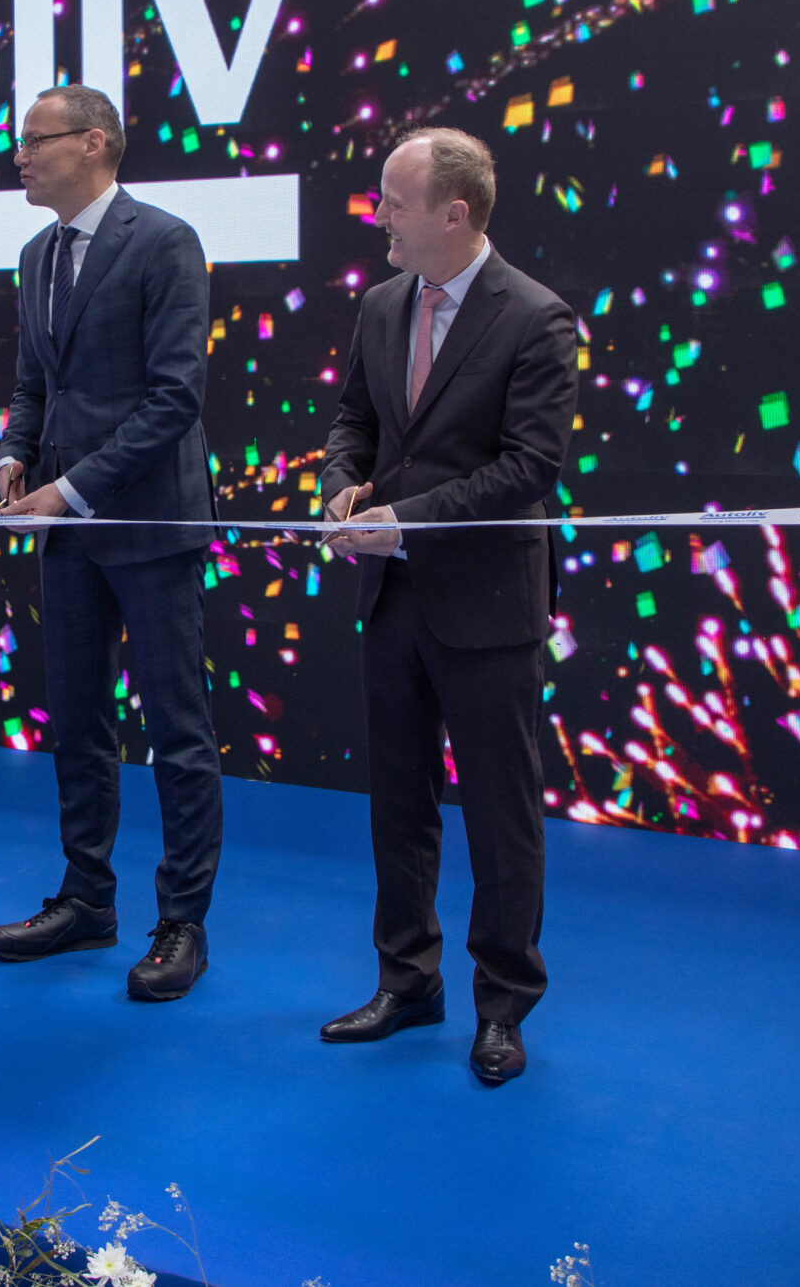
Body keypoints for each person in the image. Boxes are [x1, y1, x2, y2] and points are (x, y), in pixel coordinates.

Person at [318, 128, 578, 1086]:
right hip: (391, 597)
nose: (378, 213)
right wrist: (346, 486)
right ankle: (407, 979)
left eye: (393, 198)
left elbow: (528, 470)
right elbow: (355, 421)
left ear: (453, 212)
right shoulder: (382, 304)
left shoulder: (538, 318)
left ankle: (503, 1003)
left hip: (488, 603)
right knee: (399, 798)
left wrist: (405, 518)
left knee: (501, 814)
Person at [0, 83, 221, 1001]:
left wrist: (71, 488)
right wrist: (15, 453)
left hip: (149, 524)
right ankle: (87, 898)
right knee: (78, 722)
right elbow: (31, 384)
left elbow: (176, 397)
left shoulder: (164, 240)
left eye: (35, 139)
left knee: (177, 729)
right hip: (66, 532)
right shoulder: (36, 254)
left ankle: (182, 921)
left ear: (94, 143)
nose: (20, 154)